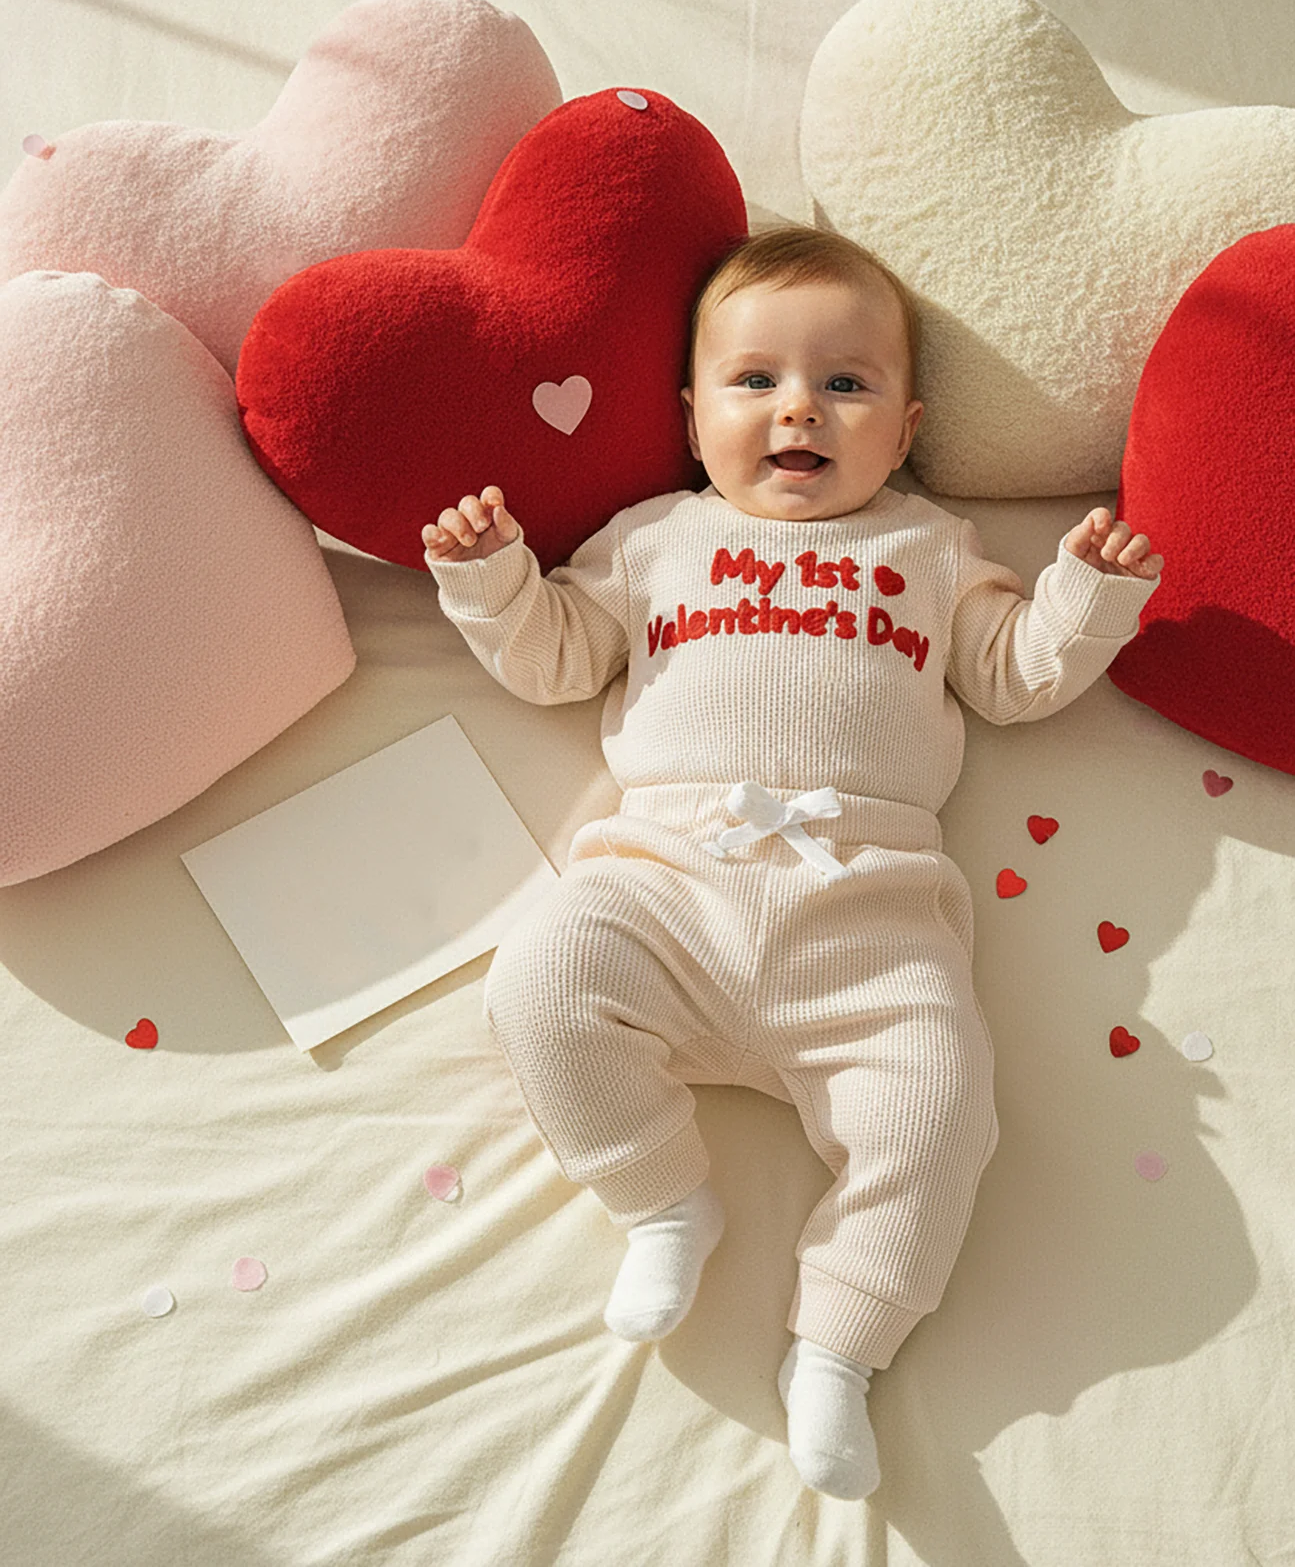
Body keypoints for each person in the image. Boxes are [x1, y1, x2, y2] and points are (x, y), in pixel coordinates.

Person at [421, 226, 1162, 1499]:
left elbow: (1014, 676)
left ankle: (839, 1350)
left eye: (846, 384)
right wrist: (492, 582)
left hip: (866, 917)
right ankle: (662, 1201)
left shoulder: (929, 550)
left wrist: (1081, 598)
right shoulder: (653, 538)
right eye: (753, 381)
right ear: (690, 416)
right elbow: (556, 658)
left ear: (907, 424)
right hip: (662, 883)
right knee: (535, 984)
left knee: (940, 1108)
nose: (798, 409)